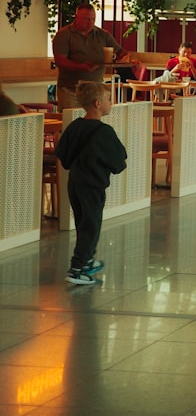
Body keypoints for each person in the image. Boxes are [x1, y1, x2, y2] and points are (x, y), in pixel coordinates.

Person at [55, 81, 127, 285]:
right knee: (91, 226)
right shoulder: (104, 132)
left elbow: (63, 154)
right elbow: (119, 161)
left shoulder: (75, 126)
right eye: (109, 99)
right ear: (98, 103)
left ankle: (86, 260)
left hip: (75, 184)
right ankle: (77, 268)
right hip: (92, 186)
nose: (111, 103)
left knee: (83, 223)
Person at [51, 4, 130, 109]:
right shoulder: (64, 34)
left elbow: (121, 52)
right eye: (86, 19)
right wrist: (82, 67)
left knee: (93, 122)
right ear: (76, 17)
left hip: (95, 91)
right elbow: (60, 61)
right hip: (70, 90)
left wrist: (128, 60)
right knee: (71, 122)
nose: (90, 22)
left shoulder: (103, 35)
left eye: (93, 19)